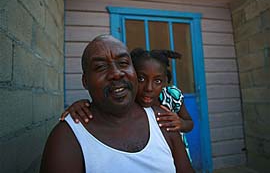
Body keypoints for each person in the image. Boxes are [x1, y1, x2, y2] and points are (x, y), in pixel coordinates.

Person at [40, 34, 194, 173]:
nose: (116, 73)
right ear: (85, 82)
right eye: (100, 67)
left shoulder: (162, 120)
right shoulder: (68, 137)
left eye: (123, 63)